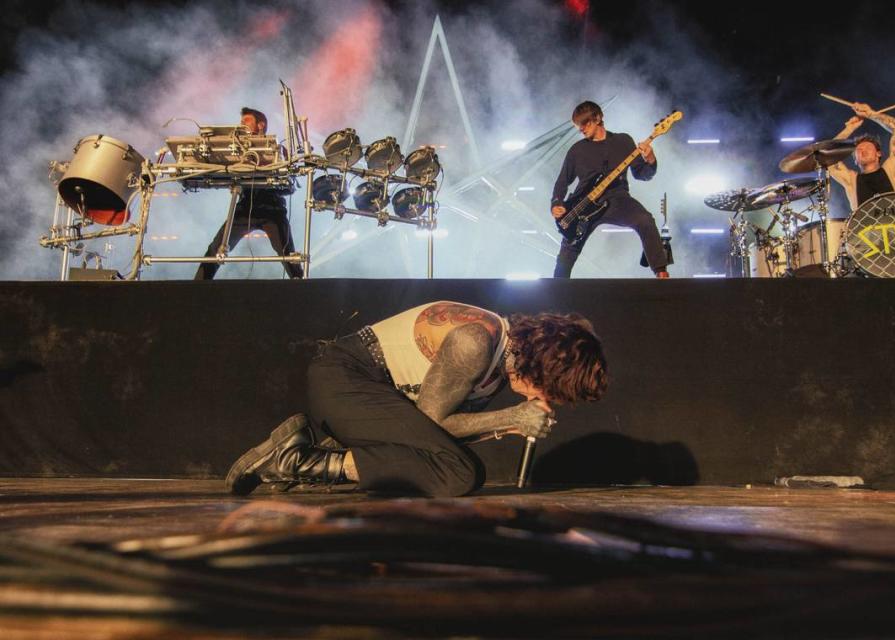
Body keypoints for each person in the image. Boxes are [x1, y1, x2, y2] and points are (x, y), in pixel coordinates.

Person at [226, 300, 608, 498]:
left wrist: (507, 423)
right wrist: (512, 418)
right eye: (552, 390)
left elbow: (436, 440)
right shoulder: (476, 341)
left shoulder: (498, 368)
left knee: (457, 466)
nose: (548, 400)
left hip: (374, 398)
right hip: (346, 378)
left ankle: (308, 451)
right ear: (542, 368)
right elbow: (434, 423)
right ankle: (297, 461)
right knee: (460, 473)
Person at [550, 101, 670, 279]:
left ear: (598, 118)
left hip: (618, 199)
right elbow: (562, 181)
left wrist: (650, 158)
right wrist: (557, 203)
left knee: (645, 219)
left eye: (585, 123)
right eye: (578, 126)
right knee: (569, 245)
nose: (581, 129)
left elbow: (642, 174)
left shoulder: (623, 141)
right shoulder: (577, 150)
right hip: (583, 204)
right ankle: (556, 288)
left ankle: (661, 273)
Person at [194, 107, 304, 280]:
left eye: (246, 121)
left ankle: (303, 289)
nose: (241, 124)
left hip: (272, 209)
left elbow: (290, 186)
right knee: (217, 247)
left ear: (260, 125)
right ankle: (196, 287)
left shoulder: (278, 150)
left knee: (287, 254)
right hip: (244, 208)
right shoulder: (238, 151)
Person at [828, 101, 895, 211]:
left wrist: (871, 114)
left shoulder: (891, 170)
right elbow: (827, 156)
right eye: (859, 150)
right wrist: (849, 129)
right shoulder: (851, 180)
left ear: (878, 153)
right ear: (855, 160)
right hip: (865, 227)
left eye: (868, 148)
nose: (863, 151)